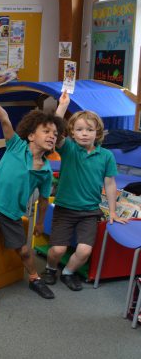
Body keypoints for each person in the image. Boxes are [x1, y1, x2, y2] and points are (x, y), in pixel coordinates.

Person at [0, 89, 63, 316]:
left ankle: (35, 278)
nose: (52, 136)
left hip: (12, 214)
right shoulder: (16, 146)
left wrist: (41, 223)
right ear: (31, 135)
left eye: (55, 134)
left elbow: (44, 201)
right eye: (46, 131)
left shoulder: (44, 171)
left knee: (24, 251)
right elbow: (4, 118)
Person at [44, 93, 127, 291]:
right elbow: (53, 131)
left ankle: (68, 272)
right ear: (72, 132)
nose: (84, 133)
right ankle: (50, 268)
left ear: (97, 132)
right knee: (57, 249)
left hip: (89, 212)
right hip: (64, 209)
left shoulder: (105, 155)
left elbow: (110, 184)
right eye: (79, 129)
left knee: (84, 251)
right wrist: (62, 106)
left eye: (89, 130)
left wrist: (113, 212)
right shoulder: (68, 148)